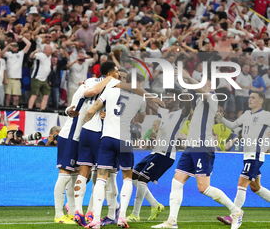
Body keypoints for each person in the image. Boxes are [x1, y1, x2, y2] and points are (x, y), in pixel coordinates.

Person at [153, 69, 243, 229]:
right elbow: (196, 94)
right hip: (191, 147)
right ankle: (172, 221)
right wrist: (185, 84)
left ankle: (236, 212)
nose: (201, 82)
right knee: (176, 182)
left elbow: (202, 92)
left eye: (203, 80)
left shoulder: (213, 97)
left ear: (210, 84)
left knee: (204, 188)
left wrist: (187, 77)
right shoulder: (202, 100)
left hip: (203, 146)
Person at [83, 74, 146, 229]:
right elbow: (141, 120)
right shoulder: (141, 98)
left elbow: (92, 110)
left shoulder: (110, 91)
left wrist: (85, 122)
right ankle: (122, 217)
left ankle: (96, 220)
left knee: (101, 178)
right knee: (127, 178)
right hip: (124, 140)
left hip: (107, 139)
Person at [53, 75, 116, 224]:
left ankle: (74, 211)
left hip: (80, 137)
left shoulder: (99, 95)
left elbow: (74, 107)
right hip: (70, 136)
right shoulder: (85, 89)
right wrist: (110, 78)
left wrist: (104, 114)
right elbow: (91, 92)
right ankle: (58, 214)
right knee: (64, 175)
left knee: (76, 176)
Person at [127, 89, 191, 222]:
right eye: (166, 97)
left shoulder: (181, 114)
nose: (167, 99)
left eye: (170, 97)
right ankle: (155, 205)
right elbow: (150, 103)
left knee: (142, 180)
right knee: (134, 175)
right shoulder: (164, 112)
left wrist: (185, 90)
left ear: (177, 100)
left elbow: (188, 106)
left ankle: (135, 214)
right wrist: (151, 96)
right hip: (155, 152)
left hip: (165, 154)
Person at [73, 61, 120, 226]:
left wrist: (85, 121)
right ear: (110, 73)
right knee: (103, 177)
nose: (119, 74)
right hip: (102, 134)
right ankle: (94, 213)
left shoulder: (90, 81)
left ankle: (77, 211)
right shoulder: (113, 85)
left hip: (85, 130)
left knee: (82, 173)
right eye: (117, 71)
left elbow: (82, 99)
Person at [216, 91, 270, 225]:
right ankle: (235, 213)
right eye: (249, 97)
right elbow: (233, 125)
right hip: (247, 154)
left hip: (256, 154)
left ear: (261, 101)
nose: (250, 99)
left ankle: (235, 214)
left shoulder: (266, 115)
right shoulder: (246, 114)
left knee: (242, 182)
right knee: (256, 187)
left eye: (253, 98)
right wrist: (221, 118)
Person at [3, 35, 31, 107]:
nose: (14, 47)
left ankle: (15, 109)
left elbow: (29, 44)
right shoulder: (8, 54)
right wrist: (7, 46)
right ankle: (6, 108)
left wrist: (22, 37)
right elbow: (1, 54)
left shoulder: (21, 53)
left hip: (17, 78)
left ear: (18, 47)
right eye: (13, 46)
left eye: (16, 46)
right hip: (8, 78)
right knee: (8, 96)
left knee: (16, 97)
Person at [28, 45, 53, 110]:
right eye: (50, 49)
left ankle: (42, 109)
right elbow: (31, 56)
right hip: (37, 78)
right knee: (34, 95)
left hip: (44, 79)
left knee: (46, 95)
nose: (51, 51)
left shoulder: (50, 56)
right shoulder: (40, 55)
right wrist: (34, 51)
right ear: (46, 50)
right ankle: (29, 109)